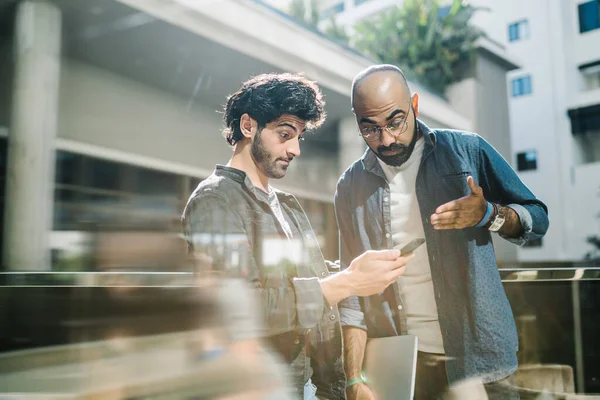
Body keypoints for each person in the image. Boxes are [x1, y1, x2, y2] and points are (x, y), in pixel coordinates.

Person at [182, 72, 414, 400]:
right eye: (285, 134)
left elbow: (305, 286)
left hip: (306, 386)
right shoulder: (214, 200)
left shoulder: (286, 206)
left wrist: (345, 384)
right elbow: (240, 310)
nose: (295, 149)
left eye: (299, 137)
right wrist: (347, 281)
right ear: (248, 126)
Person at [335, 65, 549, 400]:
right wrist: (353, 378)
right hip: (403, 363)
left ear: (415, 105)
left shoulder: (466, 150)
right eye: (370, 129)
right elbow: (351, 291)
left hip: (480, 359)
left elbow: (537, 218)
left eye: (395, 121)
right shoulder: (350, 186)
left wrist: (490, 215)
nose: (387, 139)